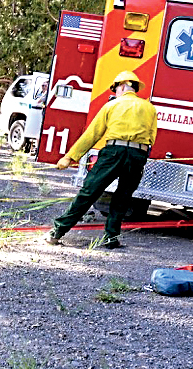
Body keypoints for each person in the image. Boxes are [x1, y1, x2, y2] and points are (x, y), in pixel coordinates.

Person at [46, 70, 157, 249]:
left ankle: (57, 232)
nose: (115, 93)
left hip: (113, 152)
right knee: (123, 198)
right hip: (138, 155)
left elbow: (92, 135)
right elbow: (152, 137)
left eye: (115, 89)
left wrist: (70, 157)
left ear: (122, 86)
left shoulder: (111, 106)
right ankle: (111, 238)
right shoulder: (150, 108)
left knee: (90, 191)